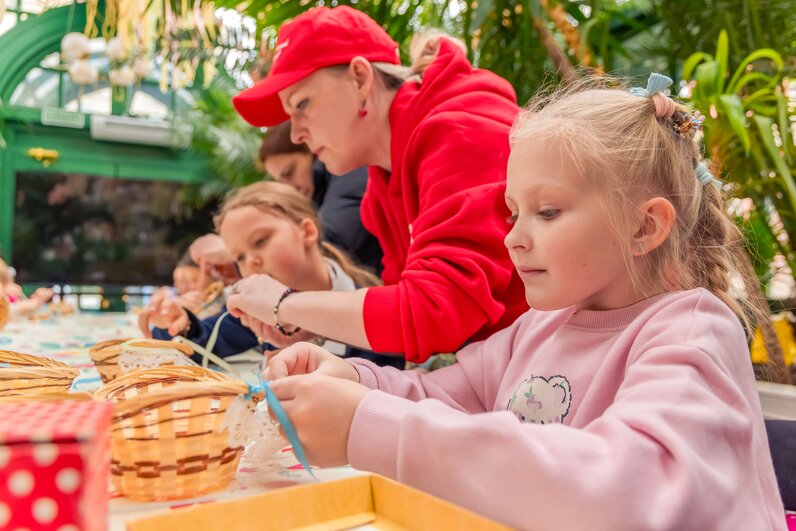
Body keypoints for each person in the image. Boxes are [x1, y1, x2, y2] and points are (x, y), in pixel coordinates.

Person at [258, 75, 787, 529]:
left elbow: (624, 492)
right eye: (513, 213)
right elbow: (436, 396)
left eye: (548, 212)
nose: (512, 238)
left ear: (644, 226)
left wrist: (368, 425)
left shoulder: (691, 333)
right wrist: (353, 382)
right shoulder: (538, 328)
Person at [224, 6, 527, 364]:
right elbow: (409, 312)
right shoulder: (382, 183)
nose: (296, 134)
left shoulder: (461, 131)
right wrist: (311, 324)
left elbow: (437, 312)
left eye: (302, 104)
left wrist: (287, 305)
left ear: (360, 78)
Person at [142, 181, 403, 369]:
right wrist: (177, 323)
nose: (251, 262)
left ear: (307, 232)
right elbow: (202, 343)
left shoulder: (371, 307)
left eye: (260, 241)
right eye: (239, 257)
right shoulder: (259, 311)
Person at [259, 121, 383, 275]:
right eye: (281, 182)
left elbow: (335, 238)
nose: (290, 187)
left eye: (290, 172)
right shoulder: (318, 194)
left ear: (310, 150)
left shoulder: (346, 170)